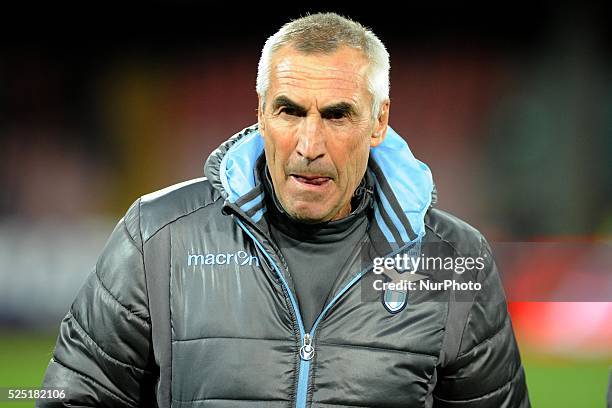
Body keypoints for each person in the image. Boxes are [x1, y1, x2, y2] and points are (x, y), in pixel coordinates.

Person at [39, 12, 530, 408]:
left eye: (337, 115)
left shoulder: (455, 259)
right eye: (290, 111)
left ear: (378, 122)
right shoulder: (157, 237)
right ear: (260, 112)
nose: (309, 145)